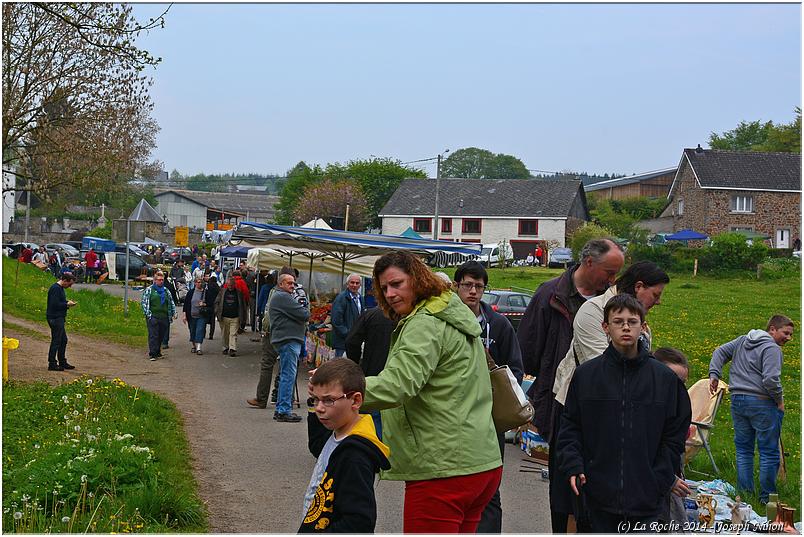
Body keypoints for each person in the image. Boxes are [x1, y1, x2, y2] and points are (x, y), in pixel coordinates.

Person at [361, 251, 502, 533]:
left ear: (417, 279)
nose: (389, 293)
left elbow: (397, 384)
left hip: (444, 467)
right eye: (384, 287)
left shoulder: (425, 322)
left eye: (397, 284)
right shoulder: (453, 312)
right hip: (480, 461)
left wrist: (344, 392)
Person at [557, 294, 691, 533]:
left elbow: (675, 434)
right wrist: (574, 465)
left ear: (643, 327)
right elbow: (570, 427)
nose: (626, 327)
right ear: (605, 327)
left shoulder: (664, 380)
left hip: (647, 502)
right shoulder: (587, 376)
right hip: (597, 498)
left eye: (633, 321)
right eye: (618, 321)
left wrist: (659, 476)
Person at [517, 238, 624, 533]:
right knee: (564, 487)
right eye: (609, 273)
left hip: (602, 406)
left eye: (617, 274)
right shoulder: (551, 295)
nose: (613, 280)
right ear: (589, 263)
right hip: (561, 404)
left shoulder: (611, 302)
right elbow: (527, 351)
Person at [452, 260, 523, 534]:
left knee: (489, 488)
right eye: (467, 285)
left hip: (490, 419)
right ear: (456, 286)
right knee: (456, 484)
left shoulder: (499, 325)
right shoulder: (443, 323)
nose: (473, 291)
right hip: (455, 416)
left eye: (478, 286)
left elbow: (515, 368)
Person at [708, 314, 794, 503]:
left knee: (744, 449)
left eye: (790, 335)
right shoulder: (772, 348)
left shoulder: (742, 340)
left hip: (738, 400)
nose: (788, 338)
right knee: (768, 451)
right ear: (772, 329)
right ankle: (767, 498)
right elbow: (771, 379)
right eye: (785, 333)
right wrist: (779, 401)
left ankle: (745, 495)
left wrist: (714, 373)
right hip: (762, 402)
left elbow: (720, 351)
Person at [299, 358, 390, 533]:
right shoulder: (338, 432)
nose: (319, 408)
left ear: (355, 401)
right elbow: (317, 445)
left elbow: (359, 522)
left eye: (328, 400)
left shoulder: (355, 456)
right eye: (315, 400)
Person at [654, 347, 693, 530]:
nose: (678, 387)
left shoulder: (680, 403)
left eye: (682, 383)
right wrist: (668, 478)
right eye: (672, 380)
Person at [345, 306, 396, 438]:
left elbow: (352, 341)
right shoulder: (408, 315)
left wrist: (355, 364)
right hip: (396, 374)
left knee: (372, 418)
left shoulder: (371, 314)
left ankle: (372, 448)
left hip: (372, 372)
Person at [270, 272, 310, 422]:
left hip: (286, 339)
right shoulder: (283, 297)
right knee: (288, 376)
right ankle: (283, 410)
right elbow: (304, 314)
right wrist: (302, 311)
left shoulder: (281, 296)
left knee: (286, 375)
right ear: (281, 284)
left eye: (293, 283)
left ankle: (281, 408)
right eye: (289, 283)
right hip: (288, 340)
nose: (293, 286)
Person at [141, 271, 176, 361]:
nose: (161, 281)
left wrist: (173, 312)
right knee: (153, 335)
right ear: (155, 280)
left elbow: (171, 302)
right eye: (159, 280)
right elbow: (144, 303)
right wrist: (149, 315)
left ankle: (158, 351)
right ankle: (152, 353)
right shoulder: (149, 290)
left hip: (164, 316)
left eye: (162, 280)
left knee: (161, 335)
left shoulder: (166, 291)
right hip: (153, 316)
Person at [46, 272, 77, 371]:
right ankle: (52, 363)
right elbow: (54, 304)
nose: (70, 286)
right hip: (55, 317)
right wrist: (67, 304)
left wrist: (66, 302)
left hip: (58, 317)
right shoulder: (55, 289)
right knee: (56, 340)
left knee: (63, 340)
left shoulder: (60, 289)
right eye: (70, 284)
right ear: (64, 280)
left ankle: (62, 362)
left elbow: (58, 301)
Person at [331, 274, 365, 357]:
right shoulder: (341, 298)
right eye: (352, 282)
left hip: (354, 341)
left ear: (360, 285)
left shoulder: (360, 298)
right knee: (341, 367)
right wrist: (349, 334)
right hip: (343, 342)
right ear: (347, 284)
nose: (354, 285)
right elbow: (336, 321)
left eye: (357, 283)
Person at [214, 274, 247, 357]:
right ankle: (225, 347)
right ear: (226, 284)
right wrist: (217, 311)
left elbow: (243, 305)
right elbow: (217, 302)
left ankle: (232, 349)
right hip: (224, 316)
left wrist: (243, 317)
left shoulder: (239, 293)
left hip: (235, 316)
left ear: (234, 285)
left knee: (233, 334)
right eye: (229, 285)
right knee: (225, 333)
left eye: (232, 285)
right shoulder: (222, 291)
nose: (230, 287)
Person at [183, 277, 208, 355]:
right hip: (191, 315)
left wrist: (204, 304)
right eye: (197, 282)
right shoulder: (191, 292)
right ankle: (194, 345)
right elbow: (186, 304)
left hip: (201, 315)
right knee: (192, 331)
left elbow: (210, 303)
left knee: (200, 330)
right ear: (195, 283)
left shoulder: (205, 293)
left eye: (200, 282)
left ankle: (199, 348)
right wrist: (184, 315)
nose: (199, 284)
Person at [205, 274, 220, 340]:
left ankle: (203, 333)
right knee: (212, 321)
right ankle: (211, 335)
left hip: (207, 305)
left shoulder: (207, 286)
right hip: (214, 305)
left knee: (204, 320)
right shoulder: (217, 287)